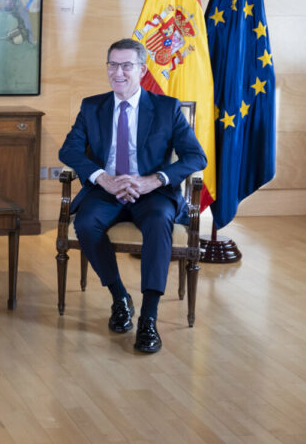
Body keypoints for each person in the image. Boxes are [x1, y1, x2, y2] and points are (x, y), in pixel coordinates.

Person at [58, 38, 206, 353]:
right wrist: (103, 178)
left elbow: (196, 157)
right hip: (106, 190)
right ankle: (119, 297)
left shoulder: (166, 108)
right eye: (112, 64)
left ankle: (148, 319)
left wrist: (156, 179)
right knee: (85, 224)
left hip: (150, 192)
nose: (118, 72)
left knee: (158, 223)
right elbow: (69, 149)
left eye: (127, 65)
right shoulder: (92, 106)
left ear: (142, 69)